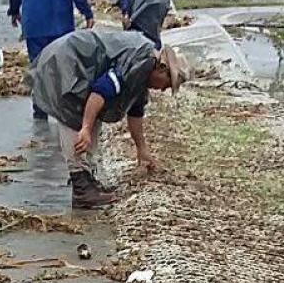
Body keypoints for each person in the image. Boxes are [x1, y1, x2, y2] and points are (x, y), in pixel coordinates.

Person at [29, 30, 189, 209]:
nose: (162, 90)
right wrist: (86, 128)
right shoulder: (137, 64)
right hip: (67, 63)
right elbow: (100, 92)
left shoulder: (143, 72)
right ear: (162, 69)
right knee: (76, 119)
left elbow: (135, 113)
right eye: (167, 85)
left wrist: (142, 149)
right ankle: (82, 190)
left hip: (79, 64)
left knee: (87, 122)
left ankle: (88, 181)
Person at [8, 0, 95, 120]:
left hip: (33, 25)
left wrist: (14, 11)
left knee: (38, 68)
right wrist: (87, 13)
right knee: (62, 68)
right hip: (60, 25)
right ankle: (61, 111)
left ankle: (40, 112)